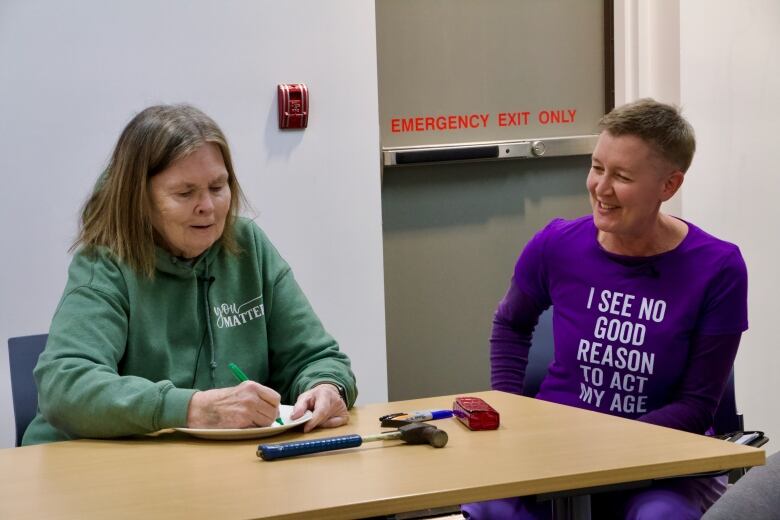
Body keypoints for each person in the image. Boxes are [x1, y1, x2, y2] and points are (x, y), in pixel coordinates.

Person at [462, 99, 748, 519]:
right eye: (597, 168)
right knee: (491, 510)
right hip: (552, 444)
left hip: (663, 458)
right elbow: (511, 322)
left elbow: (696, 406)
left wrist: (598, 443)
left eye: (622, 176)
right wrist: (508, 408)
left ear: (669, 186)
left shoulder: (718, 267)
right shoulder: (557, 244)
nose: (601, 187)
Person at [23, 104, 357, 445]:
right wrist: (190, 407)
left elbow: (316, 356)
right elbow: (64, 386)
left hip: (217, 467)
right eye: (185, 193)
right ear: (139, 199)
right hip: (91, 473)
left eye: (218, 187)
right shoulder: (105, 262)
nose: (208, 207)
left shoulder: (248, 245)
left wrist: (325, 386)